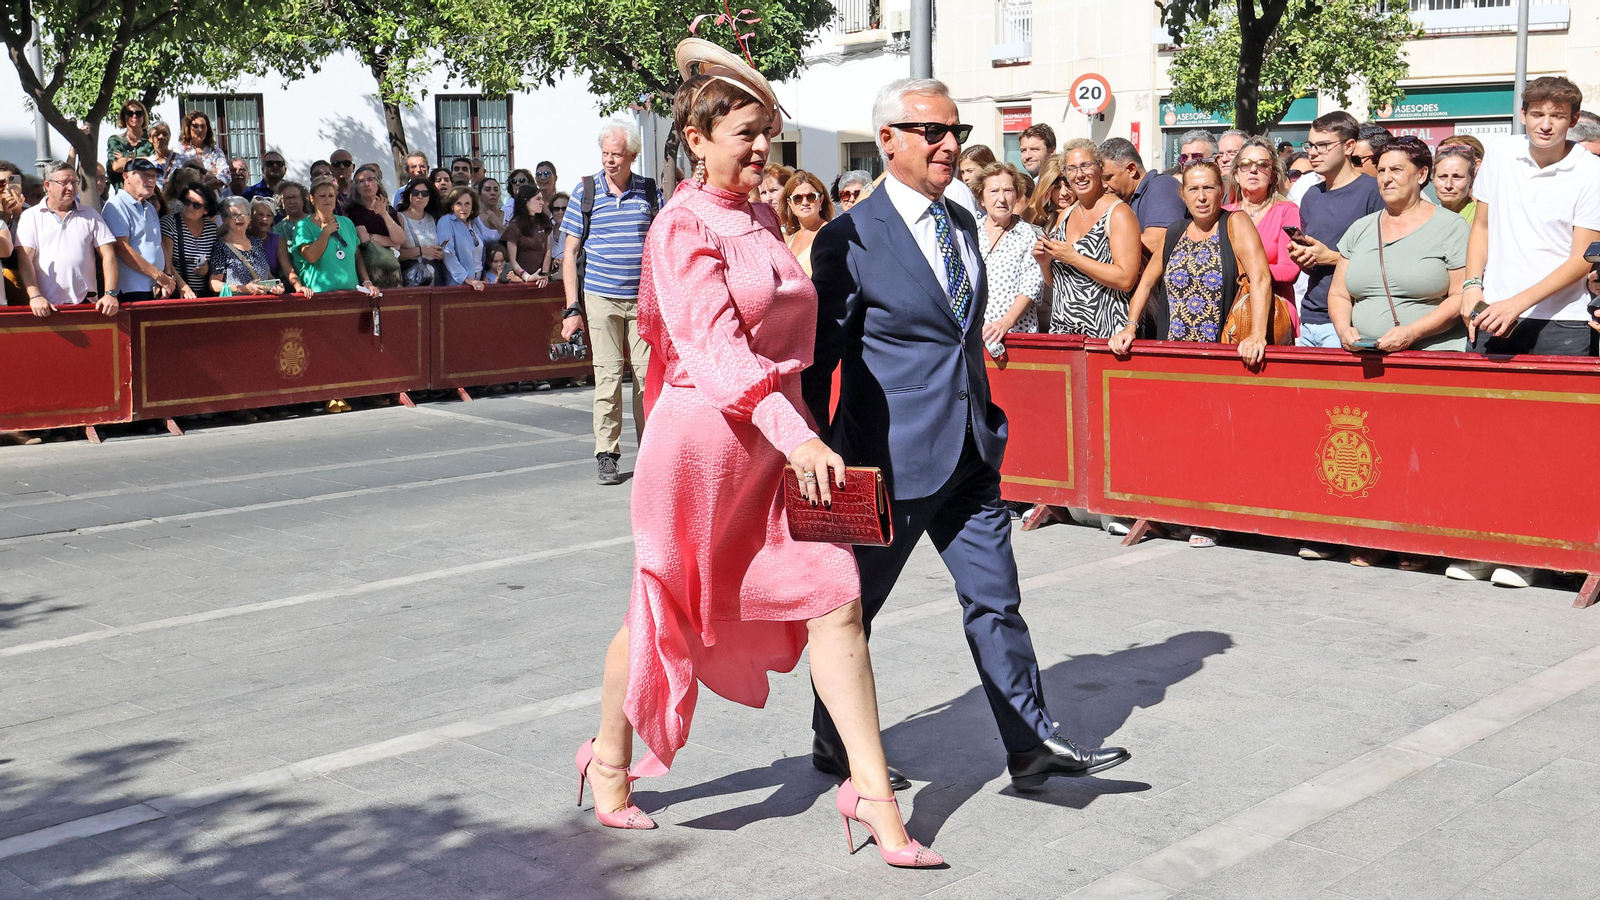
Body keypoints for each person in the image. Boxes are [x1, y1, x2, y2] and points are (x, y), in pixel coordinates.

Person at [578, 40, 940, 870]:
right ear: (696, 138)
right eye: (743, 132)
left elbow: (791, 339)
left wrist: (802, 430)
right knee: (662, 610)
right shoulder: (678, 223)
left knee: (837, 603)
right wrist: (802, 434)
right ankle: (608, 761)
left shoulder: (766, 216)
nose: (759, 149)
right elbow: (716, 353)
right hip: (702, 449)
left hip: (778, 448)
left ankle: (874, 799)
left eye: (767, 134)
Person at [805, 76, 1130, 797]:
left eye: (953, 130)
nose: (949, 143)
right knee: (853, 612)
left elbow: (962, 335)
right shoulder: (848, 237)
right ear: (888, 139)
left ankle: (1031, 744)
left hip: (971, 452)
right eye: (930, 131)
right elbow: (818, 359)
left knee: (996, 599)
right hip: (885, 463)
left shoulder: (958, 222)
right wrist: (811, 451)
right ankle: (835, 742)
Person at [1466, 75, 1600, 361]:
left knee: (1557, 406)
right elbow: (1481, 228)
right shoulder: (1500, 152)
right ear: (1523, 114)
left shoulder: (1592, 171)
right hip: (1492, 311)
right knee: (1481, 404)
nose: (1546, 125)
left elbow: (1582, 258)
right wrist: (1471, 286)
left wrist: (1517, 304)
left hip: (1563, 320)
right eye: (1538, 114)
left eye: (1558, 116)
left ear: (1574, 120)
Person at [559, 118, 662, 486]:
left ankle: (650, 452)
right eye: (604, 153)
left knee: (648, 377)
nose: (609, 160)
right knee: (608, 375)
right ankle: (607, 453)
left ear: (632, 155)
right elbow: (569, 253)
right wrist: (573, 308)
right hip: (601, 296)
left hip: (641, 299)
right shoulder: (585, 192)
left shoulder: (649, 192)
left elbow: (662, 243)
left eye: (616, 154)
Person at [1113, 160, 1271, 363]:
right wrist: (1130, 327)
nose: (1201, 197)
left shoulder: (1236, 223)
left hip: (1224, 352)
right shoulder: (1175, 232)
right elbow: (1145, 283)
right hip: (1174, 352)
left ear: (1221, 190)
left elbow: (1261, 278)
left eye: (1208, 188)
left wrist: (1257, 335)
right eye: (1193, 189)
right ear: (1183, 195)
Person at [1327, 136, 1468, 355]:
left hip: (1432, 357)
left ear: (1421, 175)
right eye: (1381, 171)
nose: (1386, 179)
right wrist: (1343, 329)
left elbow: (1461, 297)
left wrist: (1413, 332)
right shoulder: (1360, 228)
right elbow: (1339, 294)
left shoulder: (1451, 227)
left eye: (1396, 170)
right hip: (1366, 357)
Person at [1287, 111, 1384, 349]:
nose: (1313, 152)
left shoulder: (1373, 192)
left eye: (1323, 145)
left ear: (1349, 146)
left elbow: (1385, 262)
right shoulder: (1311, 195)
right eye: (1310, 145)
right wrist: (1304, 258)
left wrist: (1331, 258)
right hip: (1310, 316)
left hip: (1350, 321)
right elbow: (1314, 263)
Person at [1039, 139, 1141, 336]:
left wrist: (1074, 258)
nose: (1080, 174)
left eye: (1086, 165)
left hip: (1104, 334)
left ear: (1100, 168)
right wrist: (1044, 263)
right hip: (1063, 332)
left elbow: (1126, 279)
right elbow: (1060, 284)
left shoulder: (1118, 213)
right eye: (1072, 169)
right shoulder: (1065, 215)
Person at [16, 162, 119, 316]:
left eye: (74, 182)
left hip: (86, 302)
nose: (70, 188)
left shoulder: (90, 215)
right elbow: (25, 259)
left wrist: (110, 293)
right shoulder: (31, 216)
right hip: (46, 305)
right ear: (47, 185)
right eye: (64, 183)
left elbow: (108, 254)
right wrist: (35, 295)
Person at [1226, 136, 1302, 333]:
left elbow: (1289, 270)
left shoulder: (1287, 211)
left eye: (1262, 164)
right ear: (1235, 174)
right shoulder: (1223, 213)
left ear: (1273, 175)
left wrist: (1243, 272)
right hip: (1228, 312)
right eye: (1245, 164)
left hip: (1274, 315)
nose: (1253, 170)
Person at [975, 162, 1043, 339]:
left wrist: (1006, 322)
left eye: (1008, 191)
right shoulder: (971, 232)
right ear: (981, 198)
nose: (1002, 198)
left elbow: (1032, 285)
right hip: (977, 334)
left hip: (1016, 333)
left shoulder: (1028, 234)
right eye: (994, 191)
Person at [101, 158, 177, 304]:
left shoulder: (149, 207)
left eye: (153, 176)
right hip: (133, 290)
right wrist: (159, 276)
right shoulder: (116, 205)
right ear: (126, 176)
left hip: (156, 287)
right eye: (145, 175)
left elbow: (158, 243)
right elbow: (122, 249)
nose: (150, 180)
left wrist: (167, 276)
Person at [1100, 137, 1188, 259]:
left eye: (1108, 177)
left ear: (1131, 169)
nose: (1103, 185)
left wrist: (1099, 243)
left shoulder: (1162, 185)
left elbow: (1155, 243)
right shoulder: (1123, 199)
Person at [290, 176, 378, 297]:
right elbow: (311, 256)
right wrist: (325, 233)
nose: (327, 199)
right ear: (312, 198)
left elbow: (357, 257)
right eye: (322, 196)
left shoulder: (347, 223)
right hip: (319, 295)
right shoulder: (304, 226)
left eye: (331, 196)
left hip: (351, 293)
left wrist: (367, 281)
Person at [344, 163, 405, 288]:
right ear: (356, 187)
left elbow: (399, 240)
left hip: (391, 266)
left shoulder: (390, 210)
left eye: (370, 180)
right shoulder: (354, 211)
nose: (366, 184)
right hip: (369, 268)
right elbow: (364, 239)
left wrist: (384, 214)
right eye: (361, 181)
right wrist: (391, 242)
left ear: (378, 183)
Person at [209, 197, 284, 296]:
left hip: (262, 306)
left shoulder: (256, 242)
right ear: (225, 219)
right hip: (237, 307)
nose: (240, 218)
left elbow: (267, 275)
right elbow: (214, 284)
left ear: (249, 218)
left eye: (243, 214)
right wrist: (243, 289)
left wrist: (275, 286)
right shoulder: (220, 247)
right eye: (234, 215)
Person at [161, 180, 220, 298]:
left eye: (196, 205)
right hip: (178, 294)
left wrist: (207, 268)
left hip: (204, 295)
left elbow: (215, 261)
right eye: (187, 202)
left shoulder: (211, 228)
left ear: (206, 210)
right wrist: (183, 286)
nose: (190, 207)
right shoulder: (169, 223)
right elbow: (167, 263)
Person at [779, 170, 833, 277]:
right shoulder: (787, 238)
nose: (805, 203)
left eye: (811, 197)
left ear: (821, 200)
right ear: (790, 203)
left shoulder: (831, 234)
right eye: (797, 198)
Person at [499, 185, 552, 286]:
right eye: (538, 199)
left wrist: (544, 274)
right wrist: (527, 277)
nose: (542, 202)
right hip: (519, 282)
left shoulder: (545, 222)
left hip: (542, 281)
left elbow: (548, 251)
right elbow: (512, 260)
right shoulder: (514, 226)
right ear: (525, 201)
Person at [396, 178, 445, 287]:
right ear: (409, 195)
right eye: (415, 193)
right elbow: (395, 253)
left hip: (435, 277)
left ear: (429, 197)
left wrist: (439, 254)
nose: (420, 196)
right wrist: (422, 251)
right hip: (411, 279)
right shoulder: (400, 218)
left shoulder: (434, 218)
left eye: (424, 193)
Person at [438, 185, 487, 289]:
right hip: (458, 284)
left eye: (467, 204)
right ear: (452, 206)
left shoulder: (475, 222)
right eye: (458, 204)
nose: (463, 208)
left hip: (478, 281)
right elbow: (448, 255)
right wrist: (469, 280)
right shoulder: (445, 222)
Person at [170, 111, 231, 190]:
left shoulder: (216, 151)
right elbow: (175, 176)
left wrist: (202, 186)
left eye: (203, 126)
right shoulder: (178, 151)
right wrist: (210, 174)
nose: (200, 130)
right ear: (188, 128)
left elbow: (226, 175)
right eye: (195, 126)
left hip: (212, 198)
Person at [106, 100, 153, 195]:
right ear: (124, 117)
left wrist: (125, 160)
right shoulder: (116, 141)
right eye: (130, 113)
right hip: (123, 196)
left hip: (149, 196)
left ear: (144, 117)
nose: (134, 116)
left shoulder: (151, 140)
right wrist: (145, 160)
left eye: (138, 113)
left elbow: (155, 164)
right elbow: (116, 166)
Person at [271, 181, 310, 288]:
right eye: (287, 198)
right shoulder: (277, 229)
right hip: (290, 284)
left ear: (303, 200)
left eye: (295, 197)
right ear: (282, 203)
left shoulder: (314, 221)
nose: (292, 201)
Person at [1433, 146, 1477, 222]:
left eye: (1457, 177)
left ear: (1472, 180)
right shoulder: (1424, 218)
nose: (1448, 185)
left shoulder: (1483, 220)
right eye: (1442, 176)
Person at [247, 198, 284, 280]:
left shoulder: (277, 240)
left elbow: (288, 270)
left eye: (269, 215)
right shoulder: (241, 237)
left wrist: (299, 286)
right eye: (260, 214)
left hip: (270, 288)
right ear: (250, 216)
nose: (265, 219)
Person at [146, 121, 174, 188]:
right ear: (150, 138)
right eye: (156, 135)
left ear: (169, 136)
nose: (161, 137)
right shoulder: (148, 163)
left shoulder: (182, 159)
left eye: (165, 134)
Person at [549, 191, 570, 277]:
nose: (560, 212)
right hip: (549, 273)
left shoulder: (576, 229)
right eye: (556, 209)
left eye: (564, 209)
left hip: (568, 271)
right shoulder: (547, 228)